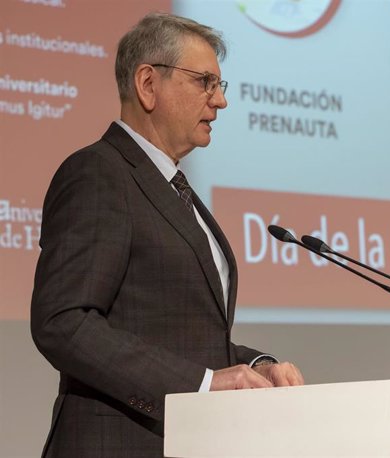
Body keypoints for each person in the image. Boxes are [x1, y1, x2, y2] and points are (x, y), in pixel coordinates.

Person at [30, 12, 304, 457]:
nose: (220, 102)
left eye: (220, 86)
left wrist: (255, 366)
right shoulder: (99, 173)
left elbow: (176, 332)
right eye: (205, 82)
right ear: (147, 84)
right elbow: (63, 321)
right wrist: (203, 385)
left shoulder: (174, 188)